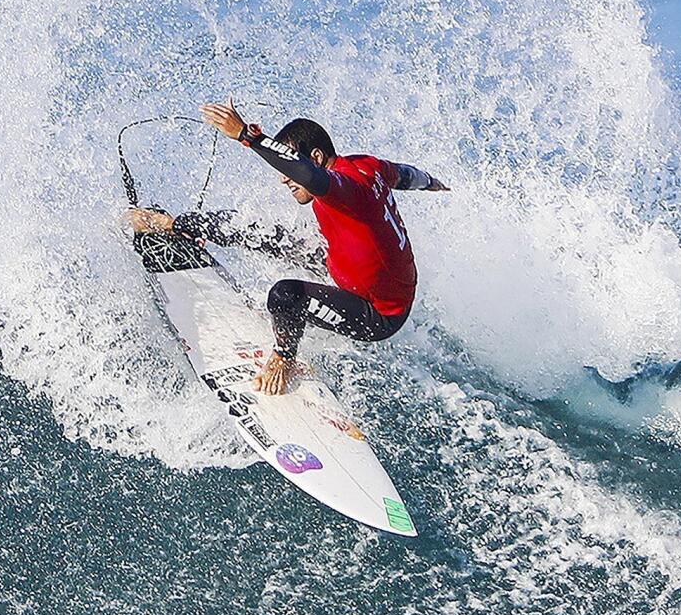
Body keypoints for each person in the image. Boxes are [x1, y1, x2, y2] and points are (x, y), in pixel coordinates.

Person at [128, 100, 448, 394]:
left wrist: (246, 135)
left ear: (317, 158)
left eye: (287, 169)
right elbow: (406, 175)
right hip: (348, 265)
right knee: (258, 231)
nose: (284, 179)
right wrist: (432, 182)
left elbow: (307, 173)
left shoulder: (342, 187)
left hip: (379, 314)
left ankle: (285, 360)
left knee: (285, 297)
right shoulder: (367, 166)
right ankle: (173, 225)